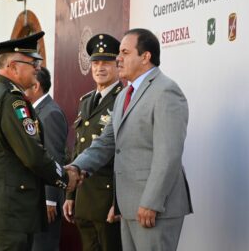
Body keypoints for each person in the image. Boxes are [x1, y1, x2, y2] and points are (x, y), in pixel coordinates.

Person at [69, 28, 192, 251]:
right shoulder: (125, 95)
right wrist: (77, 167)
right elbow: (106, 141)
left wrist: (151, 202)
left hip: (154, 208)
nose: (118, 59)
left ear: (146, 57)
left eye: (125, 52)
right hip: (128, 207)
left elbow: (168, 154)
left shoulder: (166, 91)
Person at [0, 31, 79, 251]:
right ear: (13, 66)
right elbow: (33, 155)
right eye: (32, 62)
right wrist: (65, 178)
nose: (37, 67)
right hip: (7, 213)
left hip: (1, 211)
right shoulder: (11, 101)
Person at [63, 33, 123, 251]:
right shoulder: (85, 101)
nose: (99, 68)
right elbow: (77, 148)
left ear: (118, 65)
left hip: (107, 199)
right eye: (95, 63)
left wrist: (118, 202)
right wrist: (71, 194)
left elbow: (123, 154)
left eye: (106, 62)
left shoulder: (124, 99)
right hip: (84, 196)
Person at [25, 67, 68, 251]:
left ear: (36, 86)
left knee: (43, 246)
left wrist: (50, 199)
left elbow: (54, 157)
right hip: (32, 197)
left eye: (24, 86)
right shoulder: (33, 111)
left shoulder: (50, 113)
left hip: (45, 200)